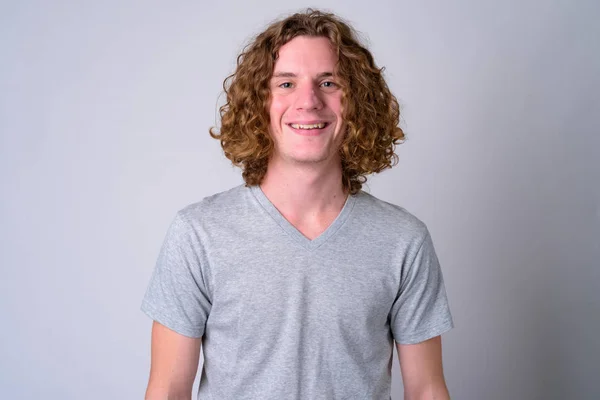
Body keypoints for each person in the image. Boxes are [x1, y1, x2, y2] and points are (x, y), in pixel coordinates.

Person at [142, 9, 453, 400]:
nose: (308, 101)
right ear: (259, 104)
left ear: (357, 102)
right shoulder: (198, 233)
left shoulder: (403, 240)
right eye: (286, 83)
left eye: (328, 82)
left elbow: (426, 389)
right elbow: (168, 390)